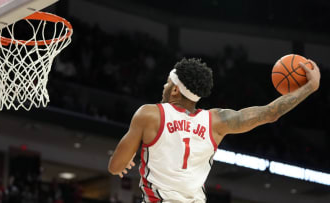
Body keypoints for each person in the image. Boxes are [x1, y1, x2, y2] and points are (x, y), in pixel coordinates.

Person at [108, 58, 321, 202]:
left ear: (174, 89)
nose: (163, 87)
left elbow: (115, 166)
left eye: (166, 83)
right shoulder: (216, 120)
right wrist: (309, 87)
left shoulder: (149, 114)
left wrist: (124, 159)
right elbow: (270, 113)